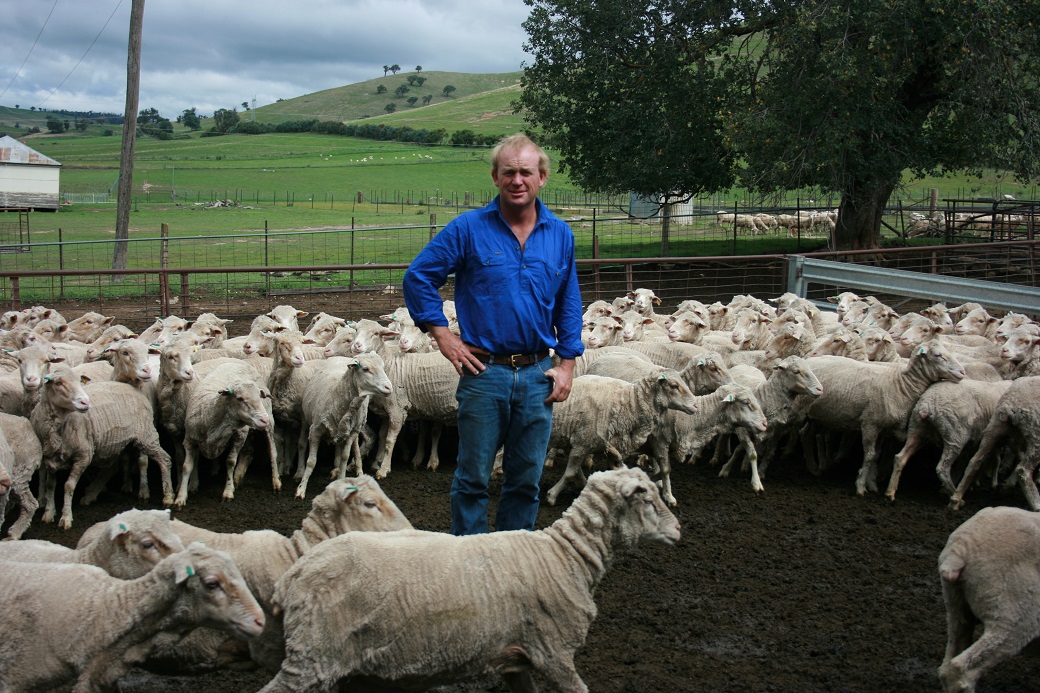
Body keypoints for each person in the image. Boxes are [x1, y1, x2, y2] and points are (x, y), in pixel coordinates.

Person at [402, 133, 584, 535]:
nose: (517, 180)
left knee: (524, 481)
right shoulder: (468, 229)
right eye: (509, 172)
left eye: (526, 172)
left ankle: (512, 560)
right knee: (473, 480)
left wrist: (568, 364)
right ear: (495, 177)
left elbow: (568, 301)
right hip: (484, 373)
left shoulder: (560, 235)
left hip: (539, 373)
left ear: (542, 178)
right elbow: (418, 278)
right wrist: (442, 334)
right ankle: (470, 562)